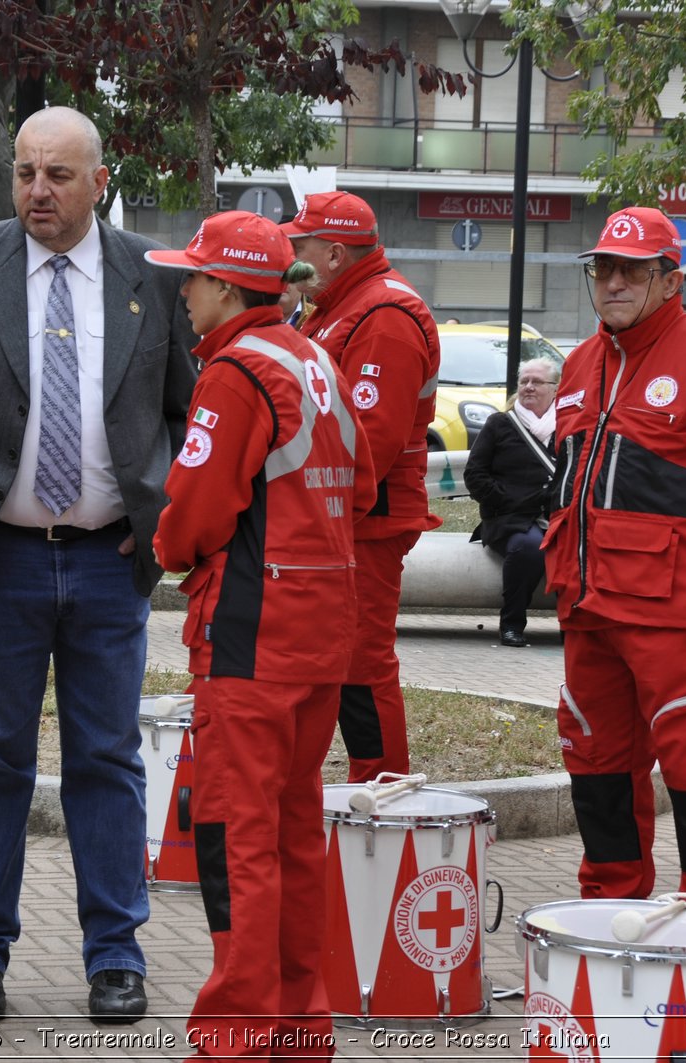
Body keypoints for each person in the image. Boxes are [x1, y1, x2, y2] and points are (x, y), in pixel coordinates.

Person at [0, 104, 197, 1023]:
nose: (37, 191)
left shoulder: (153, 275)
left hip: (105, 563)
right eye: (25, 173)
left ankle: (115, 954)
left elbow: (183, 413)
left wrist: (158, 516)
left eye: (58, 176)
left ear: (100, 182)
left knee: (109, 759)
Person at [147, 211, 375, 1058]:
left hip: (252, 635)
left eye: (195, 277)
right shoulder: (314, 356)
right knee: (290, 832)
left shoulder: (236, 371)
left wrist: (172, 548)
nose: (184, 290)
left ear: (229, 287)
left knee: (239, 837)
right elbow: (356, 483)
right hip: (319, 628)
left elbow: (195, 511)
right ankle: (297, 1021)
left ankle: (235, 1031)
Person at [542, 205, 686, 914]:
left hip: (682, 617)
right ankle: (610, 908)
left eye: (631, 270)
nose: (612, 282)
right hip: (589, 611)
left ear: (671, 280)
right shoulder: (579, 363)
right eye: (603, 268)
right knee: (594, 766)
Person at [283, 190, 441, 783]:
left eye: (300, 245)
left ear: (334, 252)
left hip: (365, 521)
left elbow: (369, 441)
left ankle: (382, 785)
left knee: (361, 662)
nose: (291, 256)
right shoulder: (337, 304)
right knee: (340, 658)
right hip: (342, 518)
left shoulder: (384, 317)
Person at [464, 354, 560, 647]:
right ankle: (512, 624)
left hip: (557, 517)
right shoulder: (499, 424)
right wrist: (503, 500)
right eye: (524, 381)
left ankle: (575, 627)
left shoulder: (569, 425)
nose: (529, 387)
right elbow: (475, 474)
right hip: (509, 519)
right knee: (529, 548)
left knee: (579, 552)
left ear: (555, 388)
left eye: (537, 382)